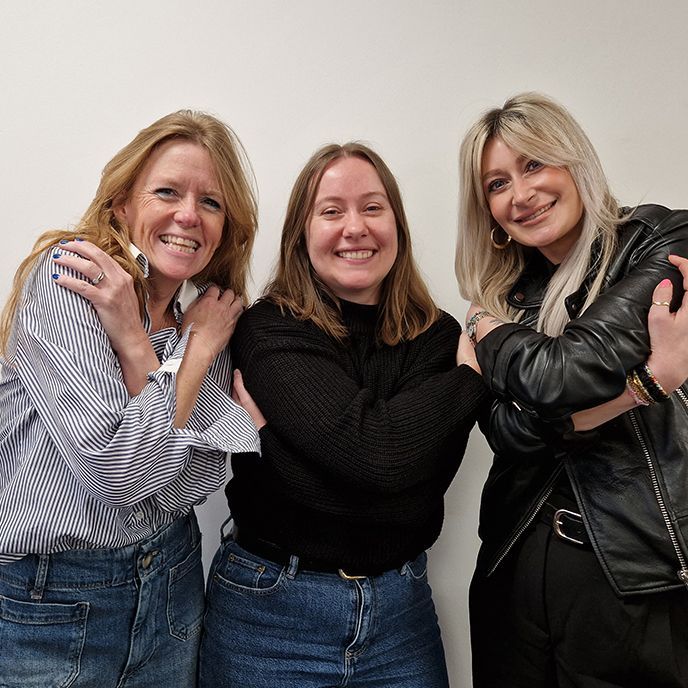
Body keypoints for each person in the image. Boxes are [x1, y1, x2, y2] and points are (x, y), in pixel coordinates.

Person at [198, 142, 489, 687]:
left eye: (373, 208)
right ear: (301, 235)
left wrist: (270, 451)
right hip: (270, 614)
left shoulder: (438, 338)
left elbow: (405, 488)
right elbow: (381, 459)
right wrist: (472, 383)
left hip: (401, 618)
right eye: (331, 211)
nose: (354, 227)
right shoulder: (271, 330)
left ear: (397, 225)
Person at [0, 110, 260, 687]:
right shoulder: (74, 276)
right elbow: (117, 475)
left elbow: (195, 480)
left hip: (171, 578)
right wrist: (190, 364)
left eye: (211, 203)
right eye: (167, 191)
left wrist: (139, 345)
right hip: (51, 598)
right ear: (121, 203)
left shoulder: (205, 315)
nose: (188, 215)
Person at [456, 92, 688, 687]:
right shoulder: (511, 296)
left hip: (634, 574)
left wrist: (485, 331)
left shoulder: (661, 240)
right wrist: (645, 385)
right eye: (496, 183)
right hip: (517, 560)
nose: (520, 194)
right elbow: (510, 433)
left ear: (574, 161)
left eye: (534, 165)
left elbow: (563, 375)